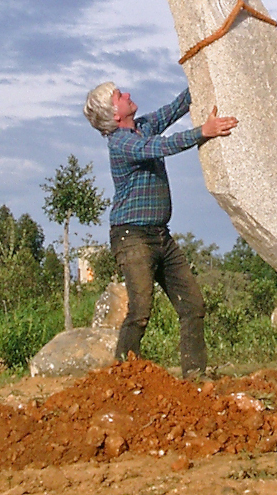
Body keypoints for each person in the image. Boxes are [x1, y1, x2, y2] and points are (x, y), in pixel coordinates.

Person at [83, 82, 237, 378]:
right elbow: (161, 147)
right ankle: (123, 377)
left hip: (160, 235)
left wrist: (200, 74)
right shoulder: (121, 143)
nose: (127, 94)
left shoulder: (143, 126)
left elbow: (176, 108)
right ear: (114, 115)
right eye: (119, 96)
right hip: (132, 237)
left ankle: (194, 376)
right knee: (140, 311)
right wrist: (203, 131)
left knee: (192, 304)